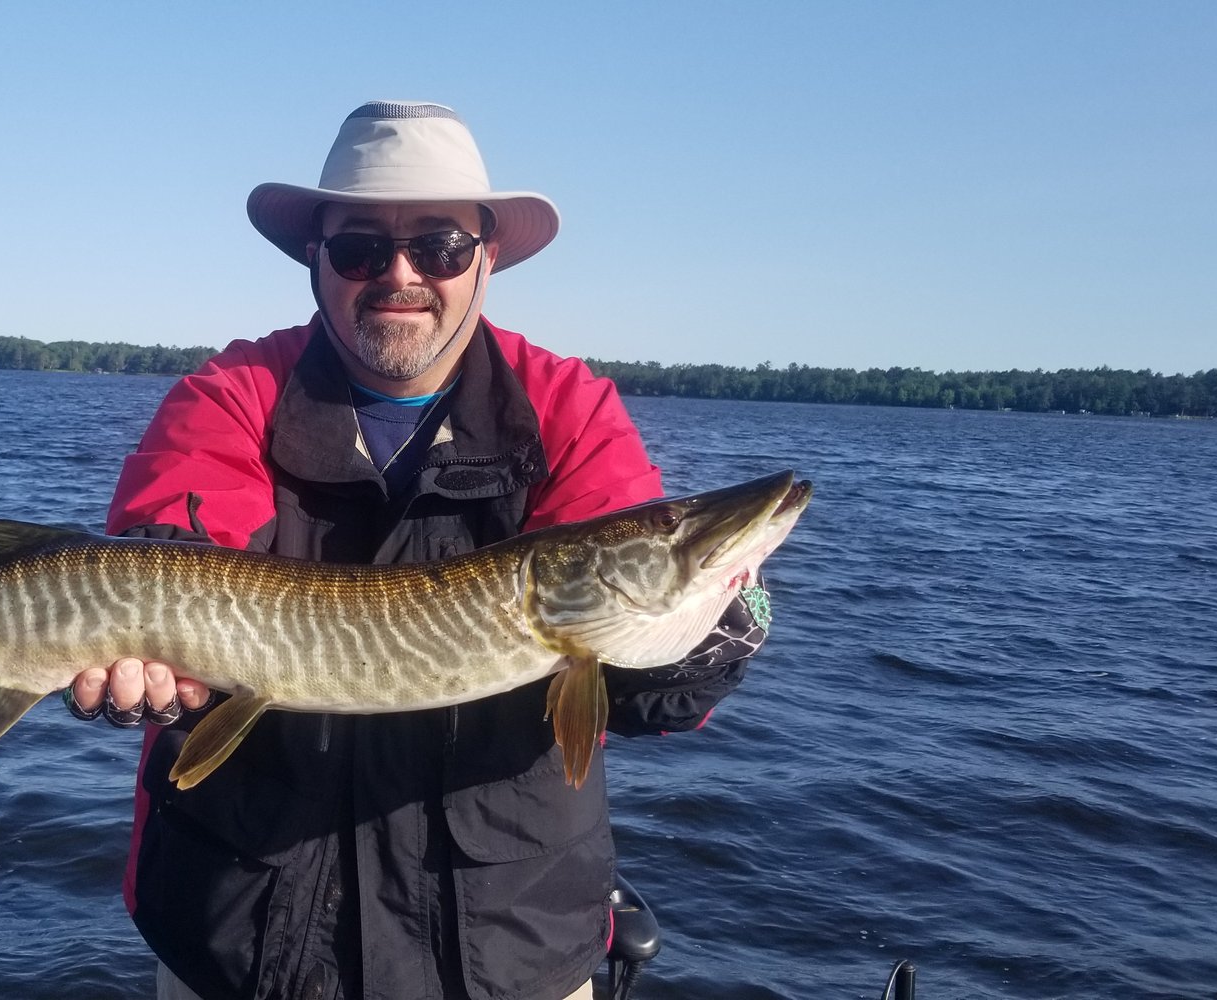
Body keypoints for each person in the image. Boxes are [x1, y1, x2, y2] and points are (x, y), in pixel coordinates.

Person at [62, 101, 773, 1000]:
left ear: (486, 258)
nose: (399, 276)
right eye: (360, 248)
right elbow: (174, 541)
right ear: (315, 260)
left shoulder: (566, 408)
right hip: (243, 945)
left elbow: (649, 688)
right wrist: (147, 670)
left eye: (437, 246)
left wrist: (727, 613)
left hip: (506, 955)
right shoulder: (235, 390)